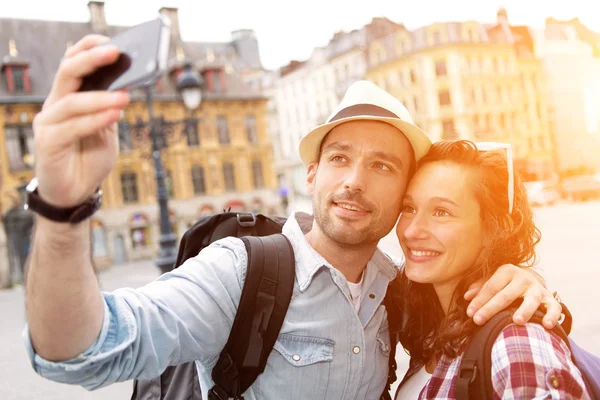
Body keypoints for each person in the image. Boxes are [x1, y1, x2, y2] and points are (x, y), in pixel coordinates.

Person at [24, 34, 562, 400]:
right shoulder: (241, 273)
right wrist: (61, 210)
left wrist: (526, 283)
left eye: (381, 165)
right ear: (312, 174)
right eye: (340, 157)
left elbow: (470, 336)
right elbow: (81, 352)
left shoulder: (399, 292)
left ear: (402, 192)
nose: (354, 180)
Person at [392, 140, 590, 399]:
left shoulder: (516, 342)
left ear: (494, 230)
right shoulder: (429, 325)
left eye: (441, 212)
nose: (411, 231)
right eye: (409, 208)